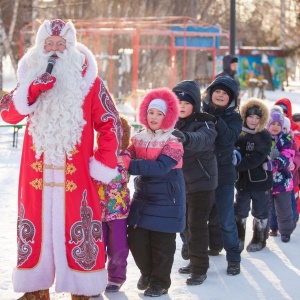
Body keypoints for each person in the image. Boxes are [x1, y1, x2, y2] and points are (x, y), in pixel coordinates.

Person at [0, 19, 121, 300]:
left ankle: (82, 288)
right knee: (35, 223)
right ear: (40, 47)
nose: (54, 50)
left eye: (60, 44)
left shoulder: (90, 82)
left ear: (72, 47)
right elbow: (8, 114)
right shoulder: (29, 76)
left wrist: (102, 163)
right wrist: (31, 91)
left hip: (77, 173)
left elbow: (110, 122)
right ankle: (36, 288)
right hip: (35, 174)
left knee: (78, 222)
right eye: (49, 44)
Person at [118, 88, 185, 297]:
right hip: (144, 196)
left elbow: (160, 168)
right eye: (151, 112)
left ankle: (160, 282)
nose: (154, 117)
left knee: (162, 245)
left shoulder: (173, 140)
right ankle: (147, 273)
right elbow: (124, 156)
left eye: (159, 114)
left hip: (168, 197)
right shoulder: (139, 138)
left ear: (168, 117)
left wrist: (130, 164)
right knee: (136, 239)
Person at [172, 80, 218, 284]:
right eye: (177, 101)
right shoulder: (171, 122)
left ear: (195, 105)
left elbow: (203, 138)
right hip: (181, 183)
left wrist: (186, 138)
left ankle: (200, 268)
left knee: (196, 225)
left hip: (202, 183)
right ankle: (193, 259)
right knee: (185, 226)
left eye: (186, 102)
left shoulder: (206, 122)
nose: (181, 105)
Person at [203, 76, 242, 274]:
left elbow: (228, 139)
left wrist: (217, 119)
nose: (220, 95)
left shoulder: (235, 118)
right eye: (217, 91)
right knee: (198, 218)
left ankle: (234, 257)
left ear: (231, 99)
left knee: (226, 219)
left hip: (225, 174)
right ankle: (197, 260)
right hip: (202, 174)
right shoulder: (200, 112)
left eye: (225, 93)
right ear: (210, 93)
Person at [94, 115, 131, 293]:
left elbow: (121, 176)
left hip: (118, 211)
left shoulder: (125, 157)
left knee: (118, 245)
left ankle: (116, 277)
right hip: (97, 210)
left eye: (118, 134)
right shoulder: (94, 155)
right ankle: (95, 278)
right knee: (98, 245)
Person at [234, 98, 273, 252]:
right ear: (244, 116)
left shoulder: (263, 135)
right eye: (250, 116)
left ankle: (259, 238)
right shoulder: (239, 133)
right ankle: (239, 238)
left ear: (262, 120)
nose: (253, 120)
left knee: (260, 210)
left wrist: (236, 164)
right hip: (242, 182)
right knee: (240, 209)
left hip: (260, 182)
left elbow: (257, 157)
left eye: (257, 118)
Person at [264, 107, 295, 243]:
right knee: (265, 207)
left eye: (279, 124)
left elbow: (287, 154)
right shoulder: (263, 137)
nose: (275, 127)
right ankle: (268, 229)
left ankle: (286, 231)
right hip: (265, 181)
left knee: (284, 208)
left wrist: (275, 164)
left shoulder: (285, 139)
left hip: (283, 181)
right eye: (273, 123)